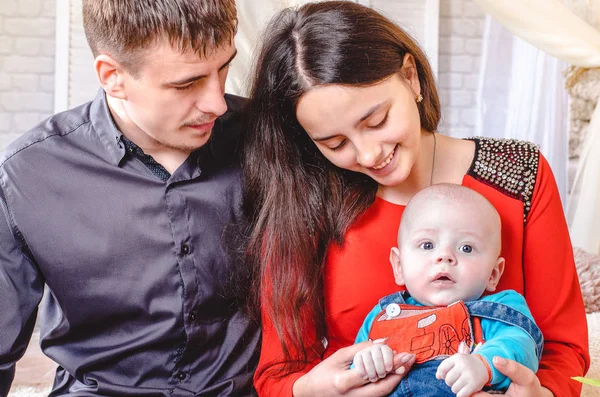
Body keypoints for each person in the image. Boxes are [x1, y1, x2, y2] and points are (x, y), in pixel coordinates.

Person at [241, 1, 589, 396]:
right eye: (335, 143)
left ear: (411, 78)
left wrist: (542, 393)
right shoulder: (307, 199)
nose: (369, 155)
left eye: (376, 121)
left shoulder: (519, 173)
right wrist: (311, 391)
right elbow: (278, 374)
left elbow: (564, 348)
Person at [0, 0, 260, 395]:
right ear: (112, 76)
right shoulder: (26, 176)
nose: (217, 102)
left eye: (223, 68)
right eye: (186, 83)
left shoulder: (265, 139)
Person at [352, 184, 542, 397]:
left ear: (493, 274)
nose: (444, 256)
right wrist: (368, 361)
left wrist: (484, 365)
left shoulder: (500, 309)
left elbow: (523, 345)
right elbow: (352, 371)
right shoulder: (383, 315)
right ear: (399, 266)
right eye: (427, 245)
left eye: (466, 248)